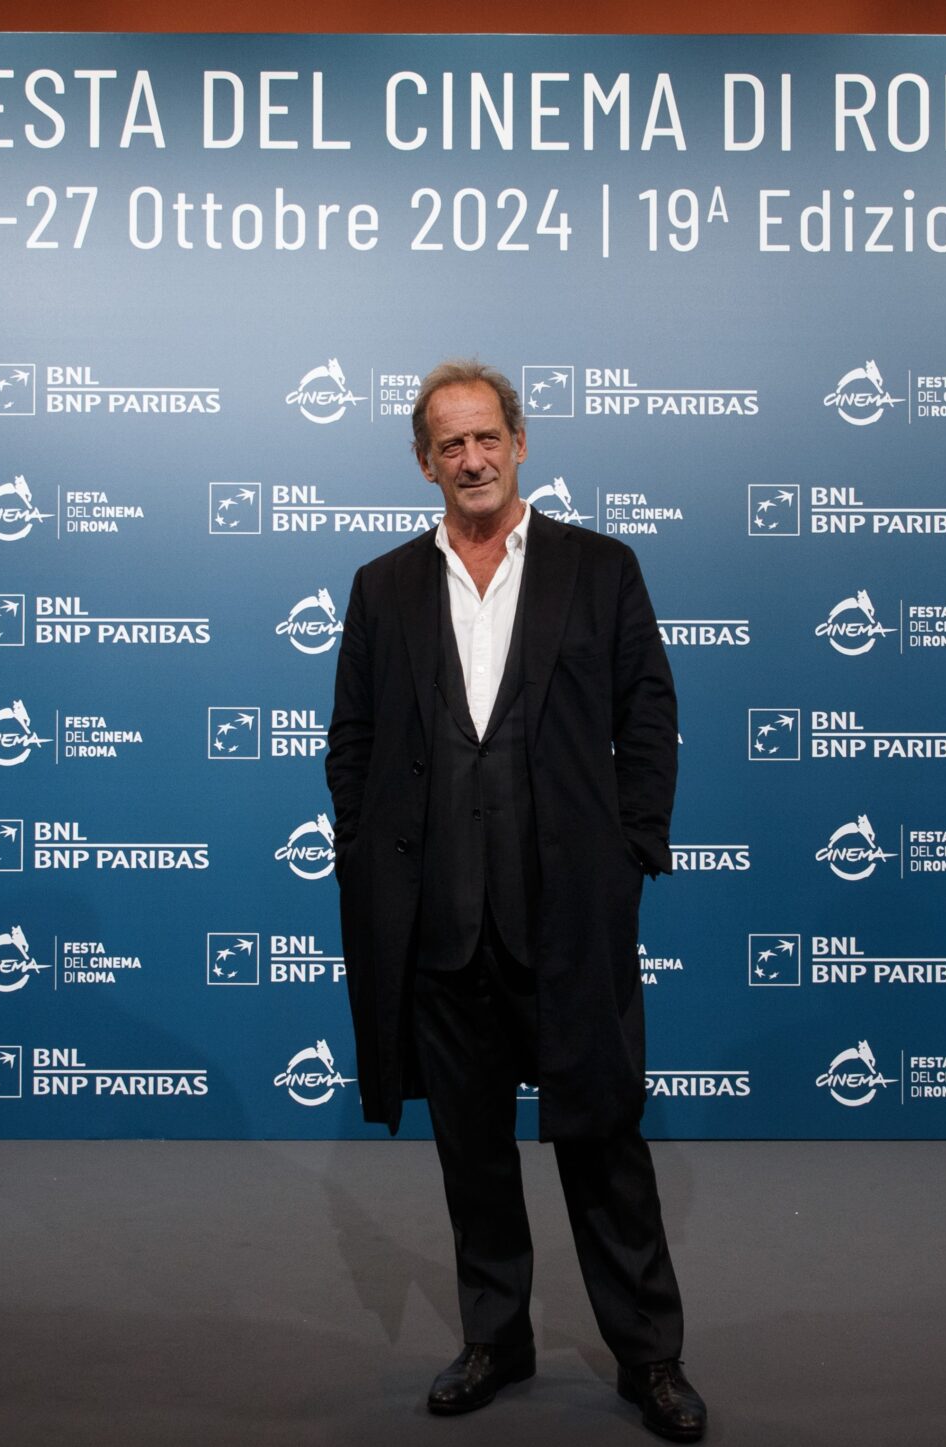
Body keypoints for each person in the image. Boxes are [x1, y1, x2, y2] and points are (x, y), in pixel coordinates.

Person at [326, 361, 706, 1441]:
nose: (471, 458)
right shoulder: (382, 585)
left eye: (485, 437)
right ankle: (497, 1336)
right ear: (423, 461)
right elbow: (350, 741)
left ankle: (649, 1357)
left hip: (568, 918)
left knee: (601, 1141)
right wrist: (367, 854)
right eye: (448, 444)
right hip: (440, 924)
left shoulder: (599, 569)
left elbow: (648, 713)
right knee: (472, 1150)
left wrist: (627, 851)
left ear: (519, 442)